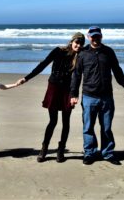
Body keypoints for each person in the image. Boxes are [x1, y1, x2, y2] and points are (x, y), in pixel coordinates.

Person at [17, 32, 85, 163]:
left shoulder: (81, 57)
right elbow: (43, 65)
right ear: (72, 42)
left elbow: (78, 78)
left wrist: (74, 94)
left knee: (66, 122)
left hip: (67, 91)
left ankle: (60, 151)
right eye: (77, 42)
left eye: (81, 43)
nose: (79, 45)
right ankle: (44, 149)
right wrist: (26, 78)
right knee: (52, 121)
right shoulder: (58, 51)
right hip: (54, 88)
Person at [70, 26, 124, 166]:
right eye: (92, 36)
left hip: (106, 97)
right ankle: (89, 153)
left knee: (106, 128)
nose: (95, 38)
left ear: (101, 36)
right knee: (88, 127)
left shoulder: (108, 52)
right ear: (88, 37)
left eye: (97, 36)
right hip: (88, 97)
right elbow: (76, 75)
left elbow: (117, 71)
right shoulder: (83, 53)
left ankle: (108, 153)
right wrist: (73, 94)